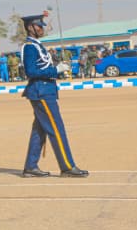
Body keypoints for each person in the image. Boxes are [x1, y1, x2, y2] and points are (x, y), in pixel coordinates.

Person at [19, 13, 88, 178]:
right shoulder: (29, 47)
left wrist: (58, 67)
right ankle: (67, 166)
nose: (42, 28)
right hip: (41, 91)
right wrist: (55, 70)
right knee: (57, 129)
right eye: (39, 26)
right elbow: (31, 71)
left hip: (45, 90)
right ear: (30, 27)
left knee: (40, 131)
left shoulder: (37, 46)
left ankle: (31, 166)